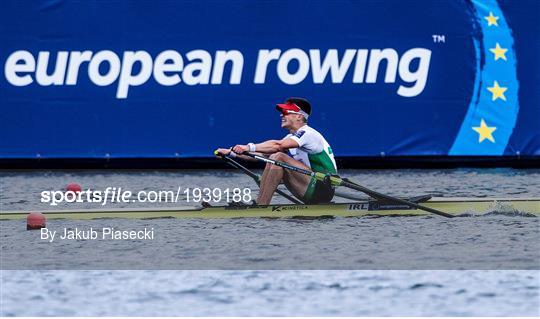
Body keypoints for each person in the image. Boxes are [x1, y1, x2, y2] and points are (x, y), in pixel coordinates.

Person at [216, 97, 337, 205]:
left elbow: (277, 146)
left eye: (285, 112)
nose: (281, 115)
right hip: (309, 185)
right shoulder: (291, 138)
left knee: (278, 157)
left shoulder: (308, 133)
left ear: (299, 116)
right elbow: (262, 154)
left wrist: (248, 147)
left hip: (322, 188)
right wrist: (231, 153)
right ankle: (260, 203)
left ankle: (261, 205)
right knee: (274, 157)